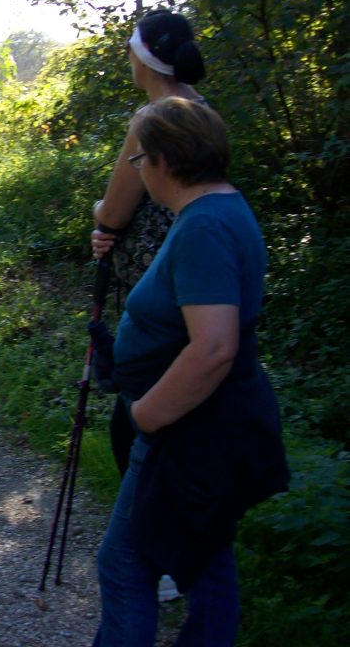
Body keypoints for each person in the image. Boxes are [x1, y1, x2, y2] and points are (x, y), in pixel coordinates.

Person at [92, 97, 288, 646]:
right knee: (204, 558)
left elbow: (213, 347)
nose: (138, 172)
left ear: (162, 161)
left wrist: (148, 415)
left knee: (126, 562)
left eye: (138, 161)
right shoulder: (219, 211)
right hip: (215, 423)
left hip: (193, 430)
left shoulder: (204, 226)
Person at [91, 9, 208, 603]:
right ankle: (179, 547)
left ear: (145, 59)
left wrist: (101, 222)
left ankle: (161, 555)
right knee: (180, 407)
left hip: (155, 286)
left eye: (131, 49)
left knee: (139, 412)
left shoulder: (151, 117)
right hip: (198, 279)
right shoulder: (204, 111)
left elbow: (115, 208)